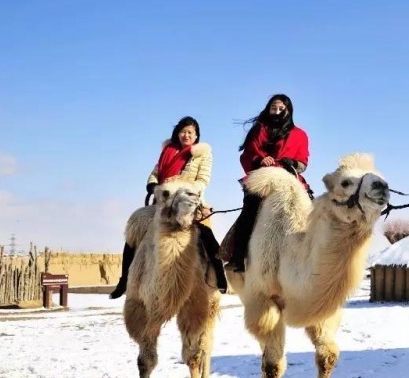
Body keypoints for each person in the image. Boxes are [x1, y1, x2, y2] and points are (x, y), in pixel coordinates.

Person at [110, 116, 228, 298]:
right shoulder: (168, 151)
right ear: (177, 133)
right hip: (162, 201)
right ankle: (124, 279)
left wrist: (183, 191)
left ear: (196, 136)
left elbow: (202, 180)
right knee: (134, 229)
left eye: (190, 132)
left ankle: (219, 275)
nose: (186, 135)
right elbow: (155, 173)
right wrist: (152, 185)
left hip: (189, 200)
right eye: (183, 131)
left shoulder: (203, 154)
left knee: (205, 234)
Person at [226, 94, 310, 272]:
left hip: (288, 177)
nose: (277, 111)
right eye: (274, 108)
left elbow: (303, 162)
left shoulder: (299, 134)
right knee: (250, 210)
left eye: (281, 109)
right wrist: (259, 160)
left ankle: (312, 256)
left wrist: (292, 163)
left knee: (313, 209)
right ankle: (238, 256)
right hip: (262, 178)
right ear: (268, 109)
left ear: (288, 111)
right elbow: (247, 155)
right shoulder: (259, 129)